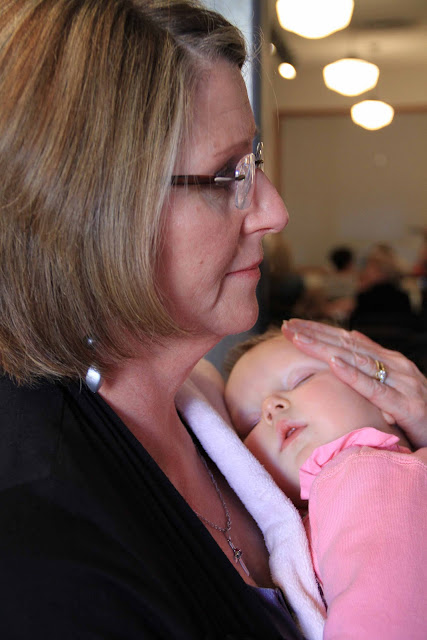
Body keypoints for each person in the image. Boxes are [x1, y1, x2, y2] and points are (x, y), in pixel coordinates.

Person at [1, 2, 427, 639]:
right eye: (228, 173)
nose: (275, 211)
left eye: (253, 164)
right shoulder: (43, 539)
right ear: (92, 208)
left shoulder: (208, 401)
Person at [223, 325, 427, 638]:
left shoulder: (365, 475)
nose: (271, 407)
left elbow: (381, 622)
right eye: (250, 424)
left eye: (301, 380)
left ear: (383, 397)